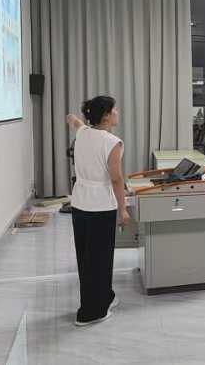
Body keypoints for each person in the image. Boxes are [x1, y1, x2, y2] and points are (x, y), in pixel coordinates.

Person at [65, 96, 127, 326]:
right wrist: (123, 209)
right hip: (101, 205)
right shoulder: (113, 142)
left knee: (86, 257)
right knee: (100, 259)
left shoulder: (83, 133)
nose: (117, 112)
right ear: (106, 116)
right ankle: (93, 312)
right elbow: (116, 179)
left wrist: (72, 119)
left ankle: (105, 297)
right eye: (114, 109)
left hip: (80, 203)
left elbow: (77, 123)